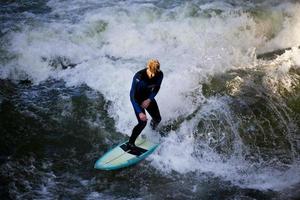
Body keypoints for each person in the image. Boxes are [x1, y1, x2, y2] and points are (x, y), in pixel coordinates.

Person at [128, 59, 163, 149]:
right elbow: (132, 95)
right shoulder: (139, 77)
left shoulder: (159, 74)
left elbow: (156, 88)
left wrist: (149, 99)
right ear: (148, 67)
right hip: (137, 99)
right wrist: (140, 112)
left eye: (155, 73)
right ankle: (130, 143)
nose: (153, 75)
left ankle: (151, 131)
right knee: (142, 122)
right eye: (152, 73)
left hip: (148, 98)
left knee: (157, 118)